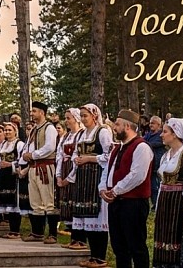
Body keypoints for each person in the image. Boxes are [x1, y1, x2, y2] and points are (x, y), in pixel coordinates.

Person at [101, 109, 152, 268]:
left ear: (128, 127)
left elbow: (137, 175)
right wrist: (102, 188)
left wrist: (115, 190)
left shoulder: (141, 147)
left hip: (133, 203)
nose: (114, 128)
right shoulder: (117, 148)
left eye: (117, 124)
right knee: (119, 246)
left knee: (136, 246)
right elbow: (107, 170)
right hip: (116, 203)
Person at [70, 104, 112, 267]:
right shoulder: (81, 134)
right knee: (87, 216)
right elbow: (76, 152)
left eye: (85, 115)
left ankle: (100, 257)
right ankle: (93, 255)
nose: (83, 118)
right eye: (81, 115)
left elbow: (110, 155)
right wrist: (76, 159)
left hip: (96, 177)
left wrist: (90, 158)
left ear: (94, 116)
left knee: (97, 216)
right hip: (83, 179)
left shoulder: (103, 132)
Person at [152, 117, 183, 268]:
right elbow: (162, 184)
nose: (161, 135)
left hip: (178, 204)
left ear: (175, 133)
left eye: (165, 132)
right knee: (163, 241)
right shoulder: (166, 155)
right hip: (165, 203)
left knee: (177, 240)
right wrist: (158, 208)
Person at [20, 101, 59, 244]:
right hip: (33, 167)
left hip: (45, 167)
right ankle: (37, 232)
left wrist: (33, 155)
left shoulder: (49, 128)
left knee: (49, 201)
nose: (32, 113)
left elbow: (50, 147)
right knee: (35, 201)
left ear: (42, 112)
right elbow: (27, 146)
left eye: (34, 111)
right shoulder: (34, 129)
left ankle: (53, 234)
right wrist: (25, 156)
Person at [57, 108, 85, 249]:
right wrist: (58, 175)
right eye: (66, 118)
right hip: (64, 169)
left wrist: (69, 177)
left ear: (76, 119)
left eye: (69, 118)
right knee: (67, 204)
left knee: (76, 203)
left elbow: (77, 156)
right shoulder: (66, 136)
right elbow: (59, 156)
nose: (66, 121)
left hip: (75, 172)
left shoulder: (81, 135)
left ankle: (80, 239)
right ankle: (74, 238)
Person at [144, 116, 165, 206]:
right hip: (150, 163)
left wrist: (145, 144)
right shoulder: (148, 135)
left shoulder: (161, 135)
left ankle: (159, 203)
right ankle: (154, 203)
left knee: (158, 184)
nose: (150, 125)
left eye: (153, 123)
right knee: (152, 185)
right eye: (150, 123)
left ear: (159, 125)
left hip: (158, 162)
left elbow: (153, 144)